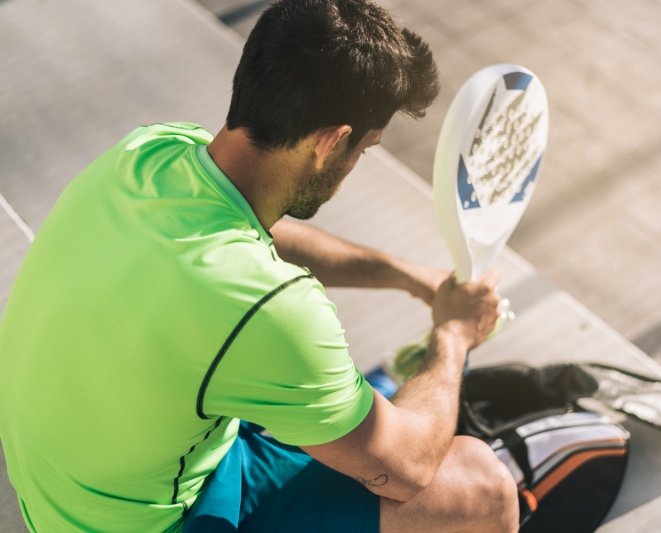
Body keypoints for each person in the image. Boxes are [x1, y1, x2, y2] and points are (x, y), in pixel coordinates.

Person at [0, 0, 519, 531]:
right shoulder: (269, 309)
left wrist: (405, 276)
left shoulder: (152, 154)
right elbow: (408, 468)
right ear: (332, 142)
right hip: (147, 523)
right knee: (482, 486)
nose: (355, 164)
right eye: (364, 149)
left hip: (63, 494)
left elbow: (258, 231)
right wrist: (454, 333)